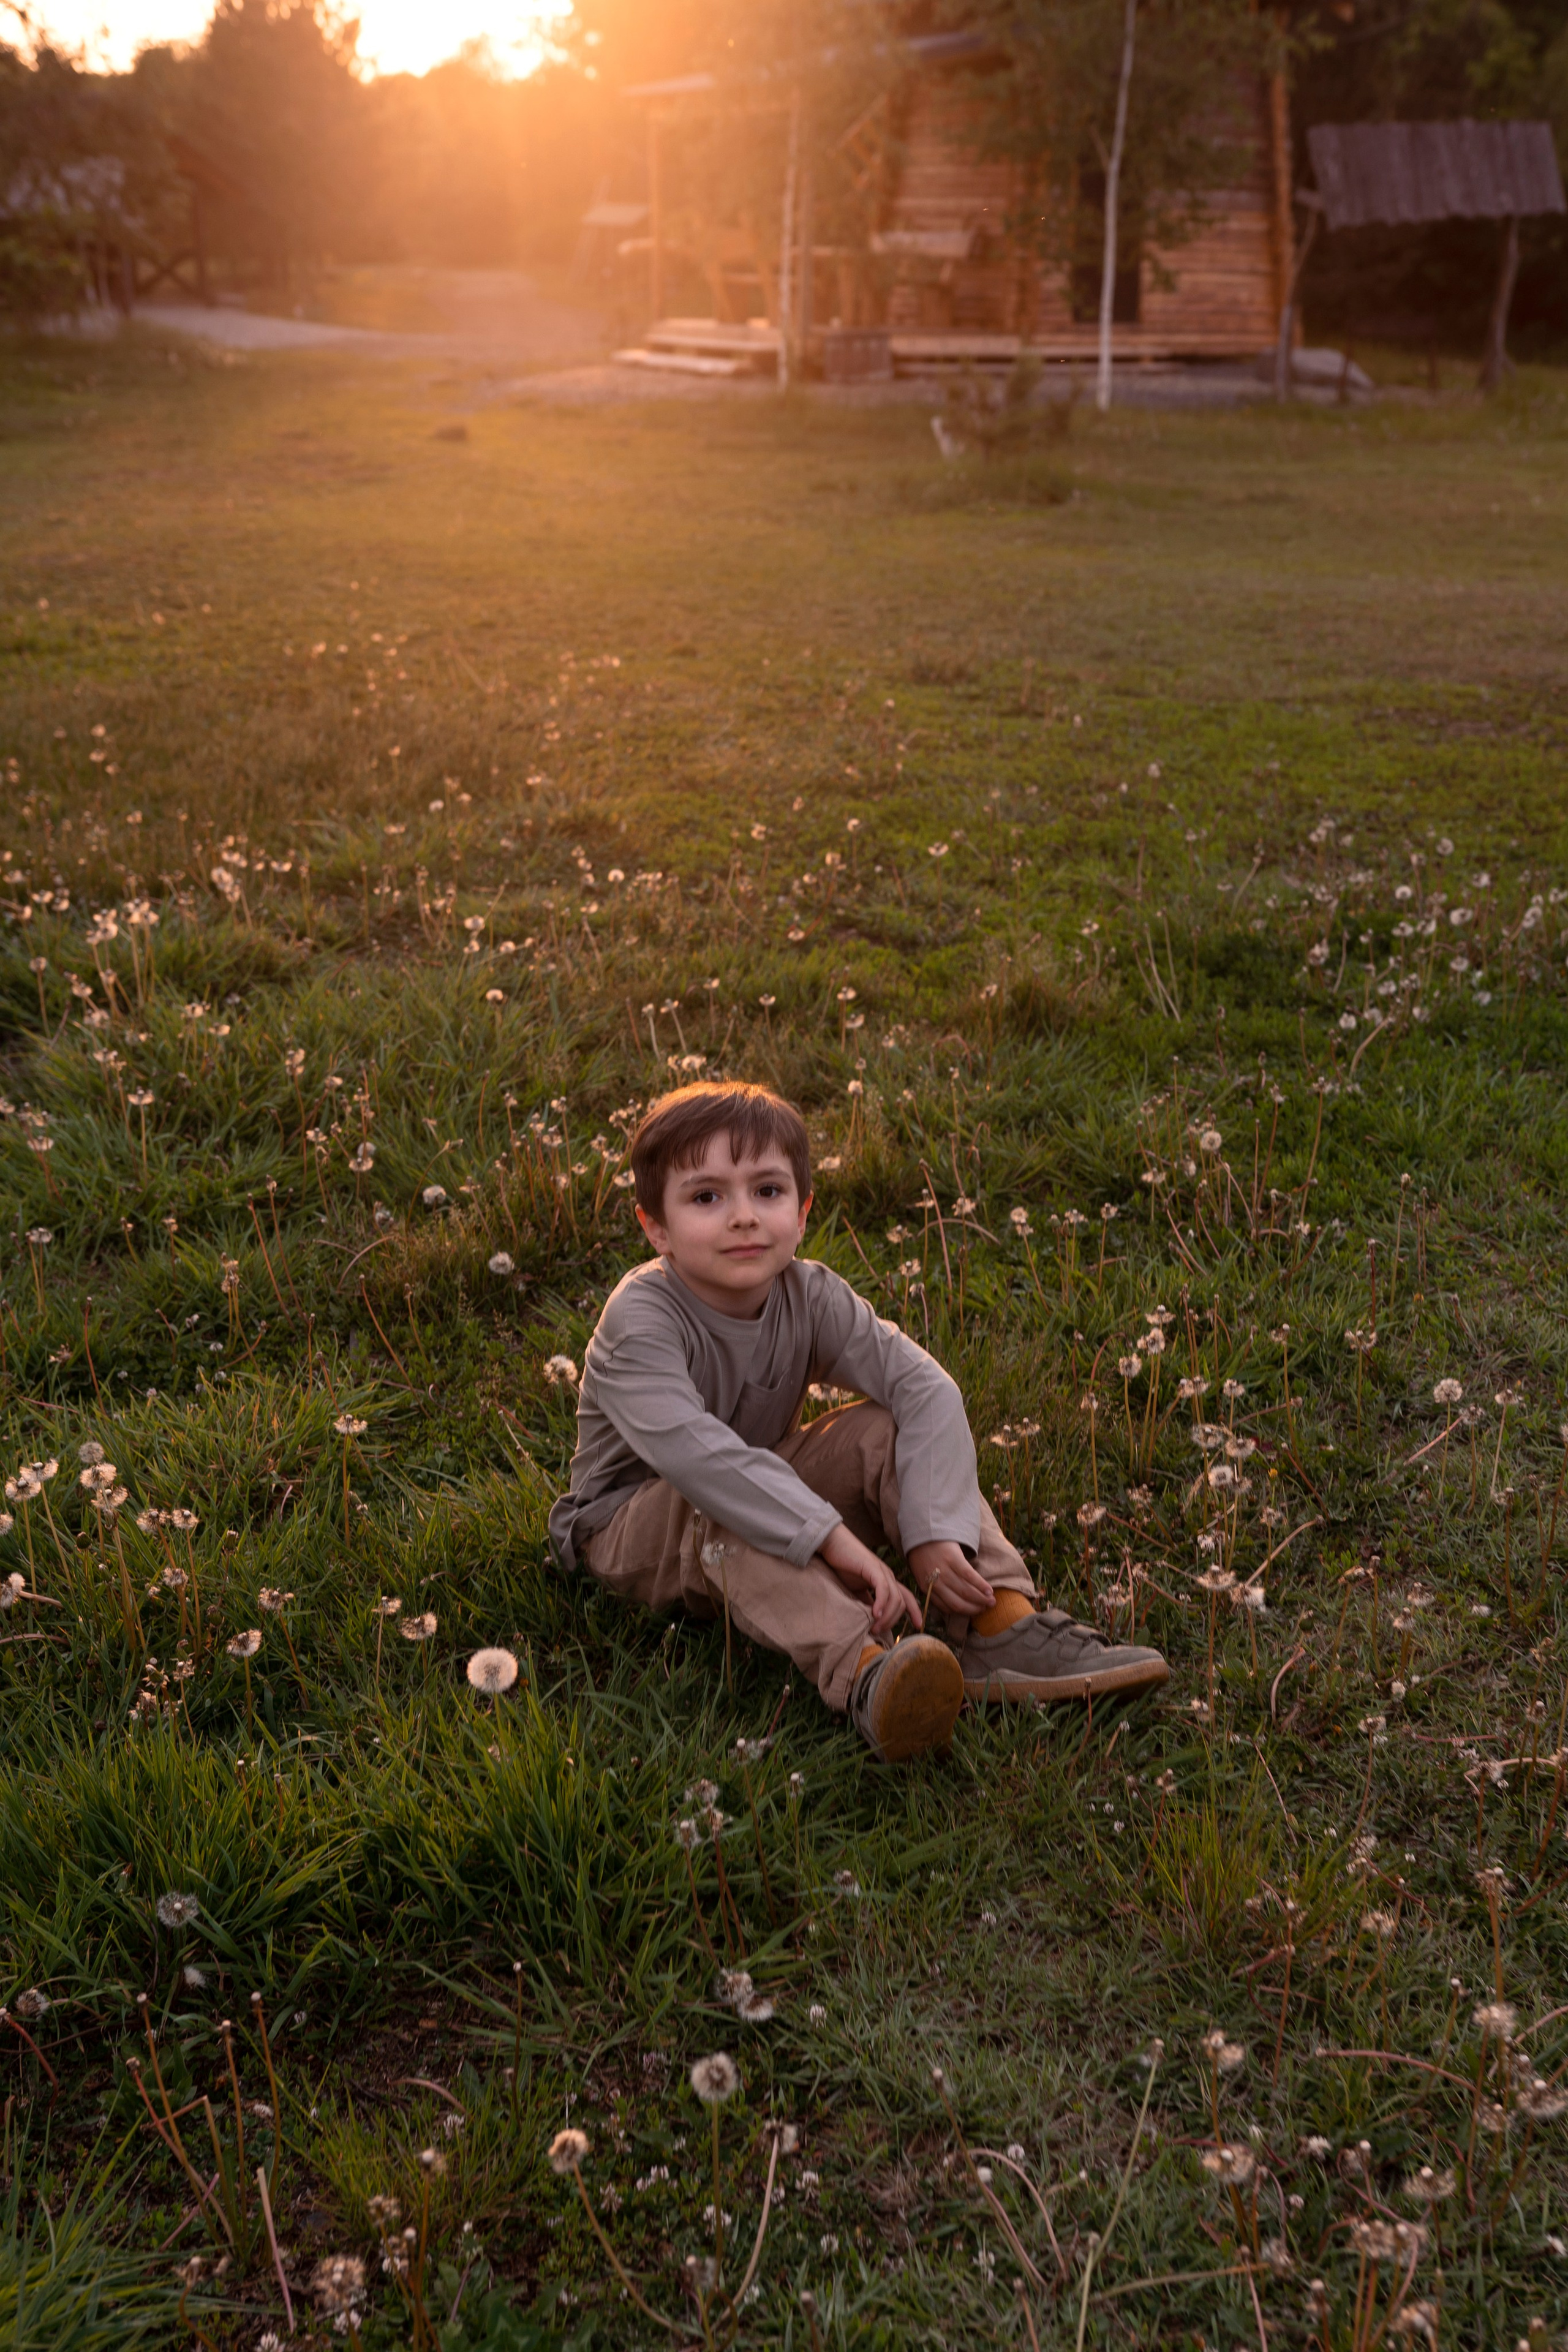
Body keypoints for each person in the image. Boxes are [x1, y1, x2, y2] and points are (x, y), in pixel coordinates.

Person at [549, 1081, 1168, 1762]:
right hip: (631, 1529)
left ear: (803, 1208)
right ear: (655, 1227)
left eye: (767, 1191)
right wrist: (834, 1541)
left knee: (884, 1429)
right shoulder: (639, 1321)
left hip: (762, 1493)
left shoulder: (808, 1294)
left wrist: (934, 1532)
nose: (743, 1218)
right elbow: (704, 1462)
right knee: (724, 1505)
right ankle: (872, 1671)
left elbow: (924, 1389)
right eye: (706, 1198)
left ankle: (997, 1623)